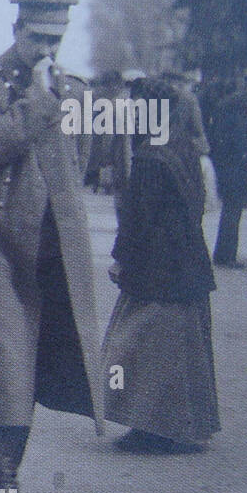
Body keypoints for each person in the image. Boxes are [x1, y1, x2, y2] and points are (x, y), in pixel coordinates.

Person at [0, 0, 105, 493]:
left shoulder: (75, 90)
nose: (45, 49)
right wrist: (37, 100)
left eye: (54, 40)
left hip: (52, 247)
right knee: (5, 365)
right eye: (37, 37)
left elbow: (81, 158)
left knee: (37, 367)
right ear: (16, 29)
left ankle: (9, 483)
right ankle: (3, 491)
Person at [102, 75, 220, 454]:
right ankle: (182, 424)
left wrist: (122, 260)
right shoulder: (183, 148)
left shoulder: (150, 156)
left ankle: (150, 427)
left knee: (141, 346)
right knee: (184, 350)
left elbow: (139, 218)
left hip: (156, 267)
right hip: (187, 260)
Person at [209, 73, 247, 268]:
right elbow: (241, 143)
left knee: (229, 210)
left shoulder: (224, 109)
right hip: (236, 168)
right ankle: (227, 256)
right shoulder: (239, 119)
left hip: (224, 166)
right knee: (233, 211)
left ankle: (223, 254)